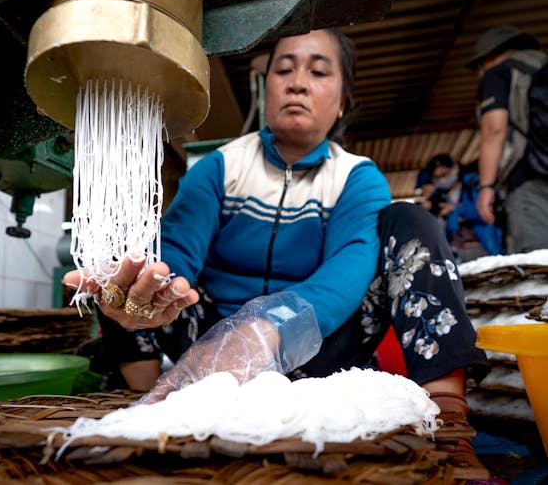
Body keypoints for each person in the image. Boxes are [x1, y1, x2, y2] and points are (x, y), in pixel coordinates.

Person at [65, 29, 489, 470]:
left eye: (319, 71)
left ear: (342, 100)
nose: (297, 82)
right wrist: (148, 287)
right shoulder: (221, 166)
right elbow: (177, 251)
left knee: (412, 220)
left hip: (324, 351)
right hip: (214, 350)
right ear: (266, 89)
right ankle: (148, 407)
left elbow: (346, 275)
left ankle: (450, 420)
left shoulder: (356, 178)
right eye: (283, 69)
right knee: (129, 265)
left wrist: (269, 328)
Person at [467, 24, 548, 253]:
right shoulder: (539, 66)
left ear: (490, 57)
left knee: (537, 260)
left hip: (531, 177)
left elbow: (494, 130)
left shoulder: (498, 74)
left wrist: (486, 187)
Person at [419, 154, 503, 260]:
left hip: (483, 245)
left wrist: (455, 210)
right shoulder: (439, 196)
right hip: (457, 251)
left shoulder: (474, 184)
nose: (442, 180)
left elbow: (485, 211)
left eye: (444, 174)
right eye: (437, 177)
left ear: (455, 169)